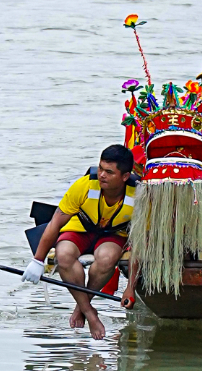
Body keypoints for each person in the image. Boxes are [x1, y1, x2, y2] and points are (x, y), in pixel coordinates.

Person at [24, 145, 136, 340]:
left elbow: (143, 244)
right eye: (100, 168)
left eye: (109, 172)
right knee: (64, 254)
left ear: (125, 177)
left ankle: (81, 307)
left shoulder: (140, 196)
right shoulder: (84, 186)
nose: (101, 175)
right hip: (81, 228)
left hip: (114, 233)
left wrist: (130, 287)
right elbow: (55, 223)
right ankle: (90, 313)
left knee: (107, 258)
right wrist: (38, 260)